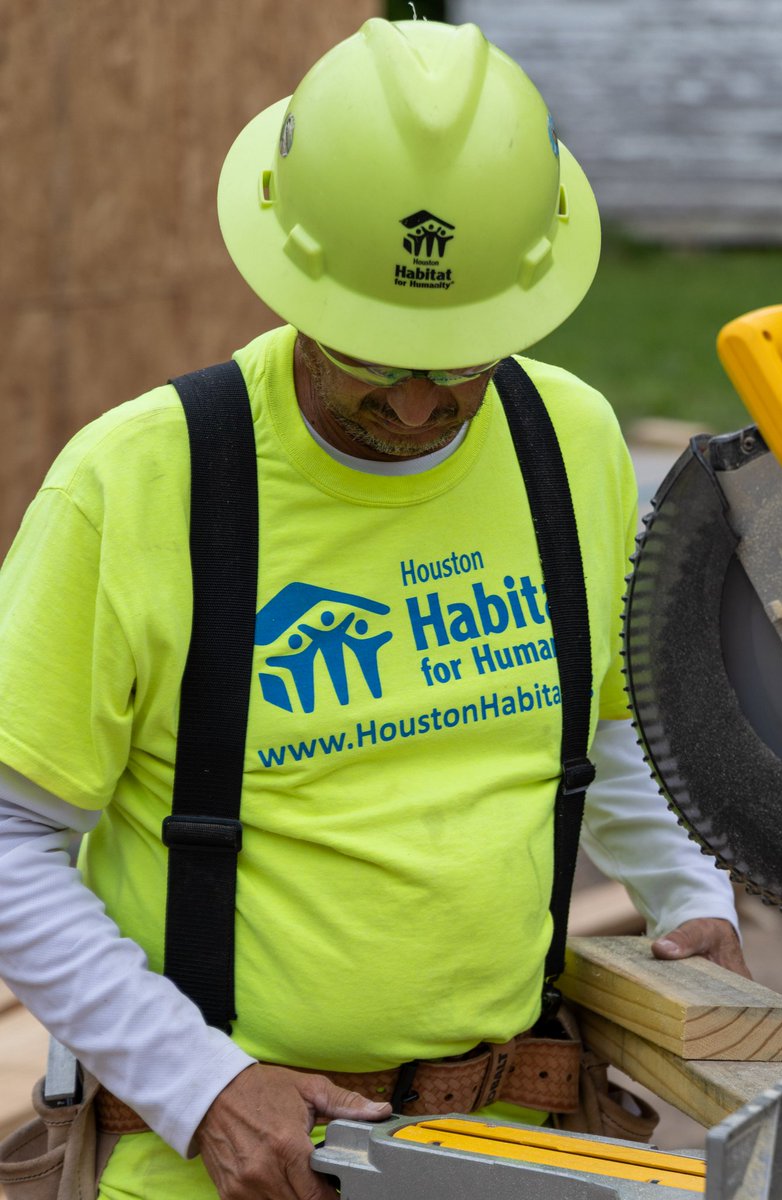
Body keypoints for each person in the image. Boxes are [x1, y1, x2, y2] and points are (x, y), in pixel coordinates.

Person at [0, 19, 744, 1200]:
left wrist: (692, 900)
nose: (414, 411)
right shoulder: (144, 481)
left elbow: (606, 725)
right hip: (216, 1163)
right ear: (295, 278)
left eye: (458, 363)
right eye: (374, 358)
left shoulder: (570, 445)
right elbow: (9, 838)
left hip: (509, 1150)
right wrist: (199, 1086)